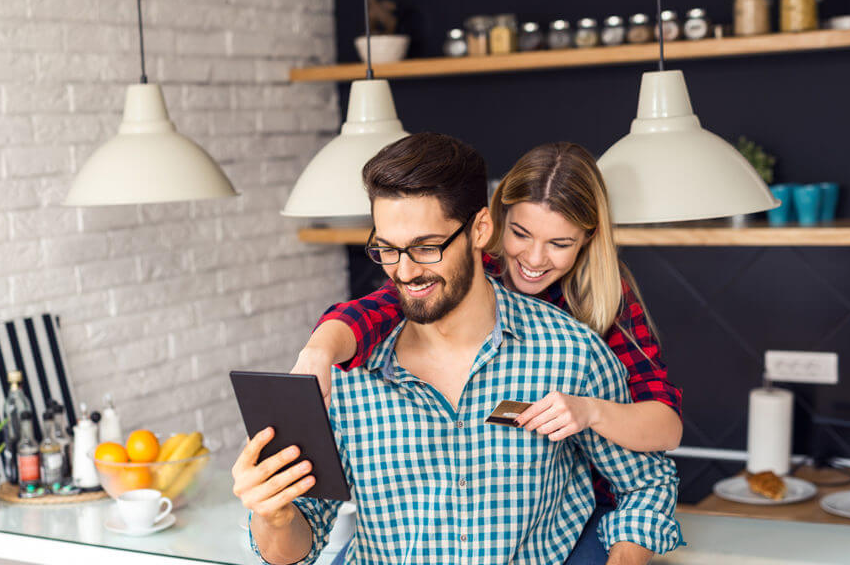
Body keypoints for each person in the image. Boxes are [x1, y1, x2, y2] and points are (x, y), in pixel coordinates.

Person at [233, 132, 681, 565]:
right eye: (387, 249)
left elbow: (648, 480)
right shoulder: (342, 374)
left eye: (427, 247)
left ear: (480, 229)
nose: (405, 271)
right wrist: (273, 515)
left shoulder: (573, 350)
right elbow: (294, 549)